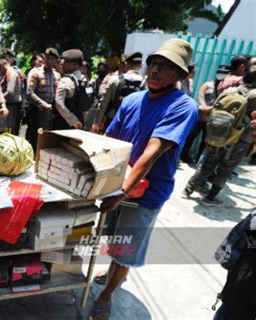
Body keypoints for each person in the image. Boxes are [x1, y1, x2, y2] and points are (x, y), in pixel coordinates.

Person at [89, 39, 198, 320]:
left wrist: (121, 193)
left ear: (182, 75)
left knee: (126, 250)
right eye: (154, 63)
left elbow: (152, 153)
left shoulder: (183, 107)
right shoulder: (132, 100)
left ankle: (105, 297)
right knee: (112, 238)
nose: (156, 70)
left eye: (167, 67)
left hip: (145, 193)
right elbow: (108, 142)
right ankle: (112, 271)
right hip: (118, 185)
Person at [183, 59, 256, 206]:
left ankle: (188, 190)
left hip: (220, 133)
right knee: (226, 168)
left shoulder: (231, 90)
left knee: (208, 163)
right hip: (240, 138)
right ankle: (210, 198)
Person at [180, 65, 230, 164]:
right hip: (201, 116)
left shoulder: (226, 88)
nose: (221, 75)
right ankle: (184, 155)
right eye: (220, 72)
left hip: (214, 119)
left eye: (224, 73)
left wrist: (212, 109)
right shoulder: (207, 85)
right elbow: (200, 95)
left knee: (206, 140)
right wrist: (204, 107)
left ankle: (200, 159)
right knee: (191, 136)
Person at [90, 52, 144, 133]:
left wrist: (97, 122)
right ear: (141, 66)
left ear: (126, 64)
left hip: (112, 121)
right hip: (132, 123)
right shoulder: (144, 83)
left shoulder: (115, 80)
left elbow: (103, 103)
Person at [25, 48, 61, 149]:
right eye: (47, 58)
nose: (49, 61)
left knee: (48, 136)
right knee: (35, 137)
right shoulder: (35, 73)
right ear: (44, 59)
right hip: (37, 110)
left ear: (55, 61)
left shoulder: (57, 75)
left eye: (52, 59)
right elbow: (29, 92)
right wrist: (42, 104)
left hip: (51, 112)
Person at [54, 49, 90, 130]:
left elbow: (59, 104)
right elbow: (89, 100)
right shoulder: (85, 80)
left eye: (66, 62)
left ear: (74, 64)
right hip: (80, 122)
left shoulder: (65, 80)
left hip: (64, 123)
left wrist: (73, 120)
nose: (63, 64)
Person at [0, 56, 23, 134]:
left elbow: (10, 92)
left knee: (11, 130)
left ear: (1, 64)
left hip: (12, 106)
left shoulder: (10, 73)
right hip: (11, 105)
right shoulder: (10, 72)